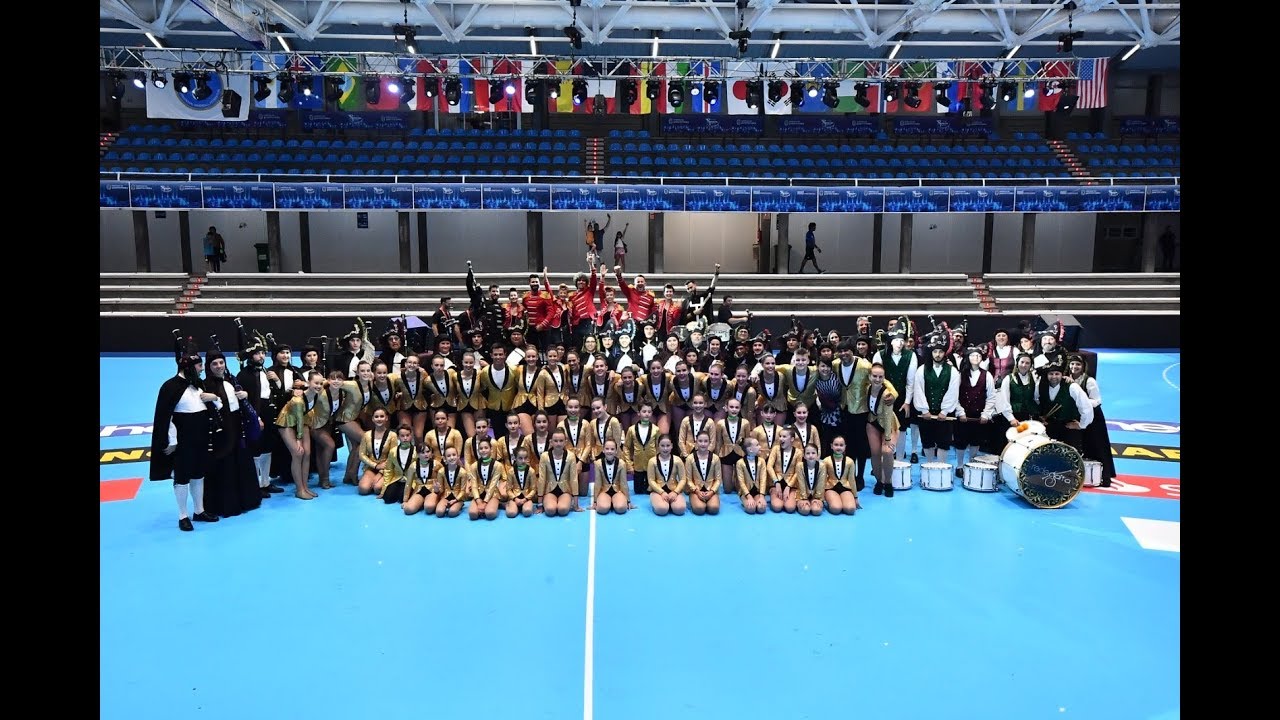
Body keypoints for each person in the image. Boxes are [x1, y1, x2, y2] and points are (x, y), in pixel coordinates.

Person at [150, 338, 220, 531]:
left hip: (201, 437)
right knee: (182, 477)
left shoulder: (198, 385)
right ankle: (183, 515)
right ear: (189, 367)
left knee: (199, 474)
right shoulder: (170, 387)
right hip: (183, 440)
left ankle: (199, 510)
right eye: (199, 366)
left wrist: (214, 398)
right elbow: (167, 417)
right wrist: (171, 441)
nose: (202, 370)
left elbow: (213, 409)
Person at [1068, 353, 1116, 488]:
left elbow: (1097, 400)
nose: (1074, 367)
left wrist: (1082, 402)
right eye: (1072, 364)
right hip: (1077, 416)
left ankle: (1105, 476)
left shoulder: (1089, 381)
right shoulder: (1067, 379)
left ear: (1083, 366)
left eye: (1078, 364)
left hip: (1094, 418)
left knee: (1098, 445)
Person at [1033, 356, 1094, 456]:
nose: (1054, 377)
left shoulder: (1072, 386)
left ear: (1062, 375)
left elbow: (1086, 406)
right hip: (1049, 427)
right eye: (1051, 374)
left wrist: (1082, 424)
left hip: (1068, 427)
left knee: (1070, 458)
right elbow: (1036, 401)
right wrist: (1040, 417)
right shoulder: (1040, 385)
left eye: (1057, 374)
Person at [864, 364, 902, 498]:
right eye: (874, 376)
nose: (877, 379)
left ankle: (888, 482)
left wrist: (887, 439)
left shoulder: (887, 394)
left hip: (889, 425)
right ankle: (879, 481)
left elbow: (887, 418)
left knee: (887, 451)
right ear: (869, 376)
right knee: (875, 453)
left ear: (884, 378)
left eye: (881, 377)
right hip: (873, 422)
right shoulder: (867, 388)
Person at [539, 430, 581, 517]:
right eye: (556, 441)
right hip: (550, 490)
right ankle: (549, 502)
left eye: (561, 441)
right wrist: (540, 505)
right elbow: (542, 479)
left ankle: (569, 501)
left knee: (563, 510)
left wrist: (576, 505)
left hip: (565, 490)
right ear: (551, 442)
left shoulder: (571, 456)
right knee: (550, 510)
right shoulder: (544, 456)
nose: (558, 443)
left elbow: (573, 478)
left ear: (565, 442)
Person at [646, 435, 687, 516]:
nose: (665, 448)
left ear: (672, 446)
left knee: (680, 510)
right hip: (657, 491)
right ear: (658, 446)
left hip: (674, 489)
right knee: (662, 510)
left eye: (668, 446)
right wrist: (661, 492)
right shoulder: (652, 461)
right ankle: (657, 501)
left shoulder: (677, 460)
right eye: (662, 446)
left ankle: (670, 503)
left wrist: (675, 492)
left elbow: (683, 479)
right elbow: (651, 480)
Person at [685, 430, 721, 515]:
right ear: (696, 442)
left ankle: (711, 500)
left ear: (709, 442)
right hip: (696, 490)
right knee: (699, 509)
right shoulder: (690, 458)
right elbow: (688, 480)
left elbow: (718, 479)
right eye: (700, 441)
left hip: (710, 489)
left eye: (705, 441)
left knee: (713, 509)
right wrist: (696, 491)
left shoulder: (715, 458)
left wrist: (712, 491)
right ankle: (693, 498)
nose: (703, 444)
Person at [467, 437, 503, 521]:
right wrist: (478, 501)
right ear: (478, 451)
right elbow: (474, 484)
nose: (483, 450)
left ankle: (496, 504)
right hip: (478, 493)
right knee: (473, 515)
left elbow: (493, 484)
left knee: (490, 514)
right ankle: (482, 507)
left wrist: (485, 502)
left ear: (491, 450)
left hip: (492, 493)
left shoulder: (497, 465)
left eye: (486, 448)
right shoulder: (474, 466)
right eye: (481, 448)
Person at [592, 438, 632, 515]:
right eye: (607, 449)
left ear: (616, 451)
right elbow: (598, 483)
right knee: (602, 509)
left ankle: (615, 501)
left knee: (621, 509)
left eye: (612, 449)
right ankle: (607, 502)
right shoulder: (598, 463)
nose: (609, 451)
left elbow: (623, 483)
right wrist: (595, 501)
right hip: (604, 491)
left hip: (617, 491)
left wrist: (628, 500)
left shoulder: (621, 463)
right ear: (603, 450)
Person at [821, 435, 859, 513]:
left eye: (841, 445)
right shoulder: (826, 461)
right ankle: (832, 501)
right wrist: (821, 497)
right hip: (830, 487)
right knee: (836, 509)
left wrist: (855, 497)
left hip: (845, 487)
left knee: (850, 509)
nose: (839, 447)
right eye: (836, 445)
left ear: (845, 447)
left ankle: (842, 499)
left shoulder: (850, 461)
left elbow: (852, 480)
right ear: (831, 446)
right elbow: (822, 479)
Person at [503, 446, 540, 518]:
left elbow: (533, 489)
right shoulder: (511, 471)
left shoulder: (531, 471)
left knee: (527, 512)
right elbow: (508, 489)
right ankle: (507, 504)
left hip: (526, 497)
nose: (523, 461)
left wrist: (526, 499)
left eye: (525, 458)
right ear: (515, 458)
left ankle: (524, 506)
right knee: (511, 513)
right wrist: (515, 498)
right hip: (515, 496)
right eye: (520, 458)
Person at [736, 436, 770, 514]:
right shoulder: (740, 463)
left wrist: (762, 496)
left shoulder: (761, 461)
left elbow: (763, 479)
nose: (760, 447)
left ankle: (757, 499)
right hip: (746, 492)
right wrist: (748, 496)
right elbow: (741, 482)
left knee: (761, 509)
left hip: (758, 491)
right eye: (757, 445)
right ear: (750, 449)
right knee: (751, 509)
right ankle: (745, 501)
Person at [793, 445, 827, 516]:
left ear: (817, 455)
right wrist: (804, 498)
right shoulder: (800, 466)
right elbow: (801, 482)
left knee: (816, 511)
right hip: (802, 494)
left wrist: (817, 498)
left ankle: (813, 502)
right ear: (804, 456)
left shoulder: (822, 466)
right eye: (808, 453)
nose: (810, 455)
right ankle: (804, 503)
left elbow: (821, 483)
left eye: (813, 453)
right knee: (805, 511)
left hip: (816, 494)